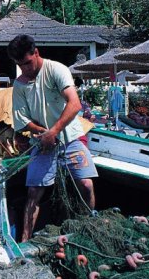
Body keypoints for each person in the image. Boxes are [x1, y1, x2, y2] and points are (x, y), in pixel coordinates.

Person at [8, 35, 97, 243]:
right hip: (42, 141)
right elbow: (21, 120)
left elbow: (74, 104)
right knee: (34, 192)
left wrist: (54, 132)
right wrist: (43, 133)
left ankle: (88, 227)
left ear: (36, 53)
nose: (25, 69)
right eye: (20, 65)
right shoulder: (19, 84)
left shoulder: (57, 69)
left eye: (28, 63)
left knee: (86, 184)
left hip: (71, 137)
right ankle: (25, 240)